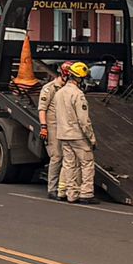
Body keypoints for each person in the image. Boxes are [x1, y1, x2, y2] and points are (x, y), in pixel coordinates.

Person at [53, 62, 98, 204]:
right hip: (77, 135)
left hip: (63, 134)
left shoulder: (59, 93)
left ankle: (70, 194)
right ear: (79, 78)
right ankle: (86, 193)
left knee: (69, 164)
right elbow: (84, 121)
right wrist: (92, 138)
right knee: (87, 164)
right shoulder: (78, 95)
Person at [38, 62, 73, 199]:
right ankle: (52, 189)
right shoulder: (50, 88)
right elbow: (42, 109)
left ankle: (63, 188)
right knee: (56, 156)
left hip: (65, 126)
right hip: (53, 126)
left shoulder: (67, 88)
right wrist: (44, 127)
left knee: (67, 158)